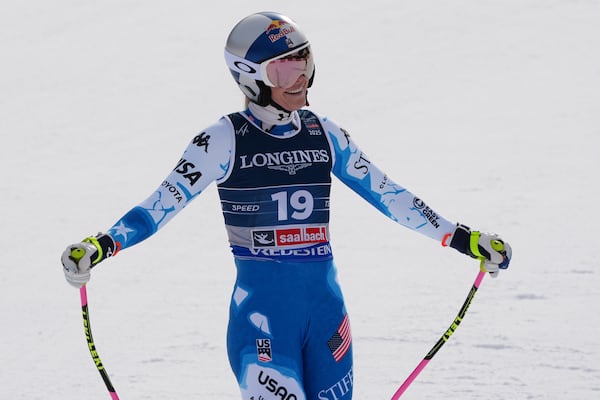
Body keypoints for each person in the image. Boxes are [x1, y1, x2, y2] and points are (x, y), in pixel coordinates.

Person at [61, 11, 512, 400]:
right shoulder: (223, 139)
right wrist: (101, 246)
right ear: (249, 76)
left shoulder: (324, 132)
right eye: (283, 70)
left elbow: (390, 195)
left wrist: (462, 238)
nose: (300, 79)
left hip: (327, 319)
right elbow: (157, 207)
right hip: (262, 324)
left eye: (305, 63)